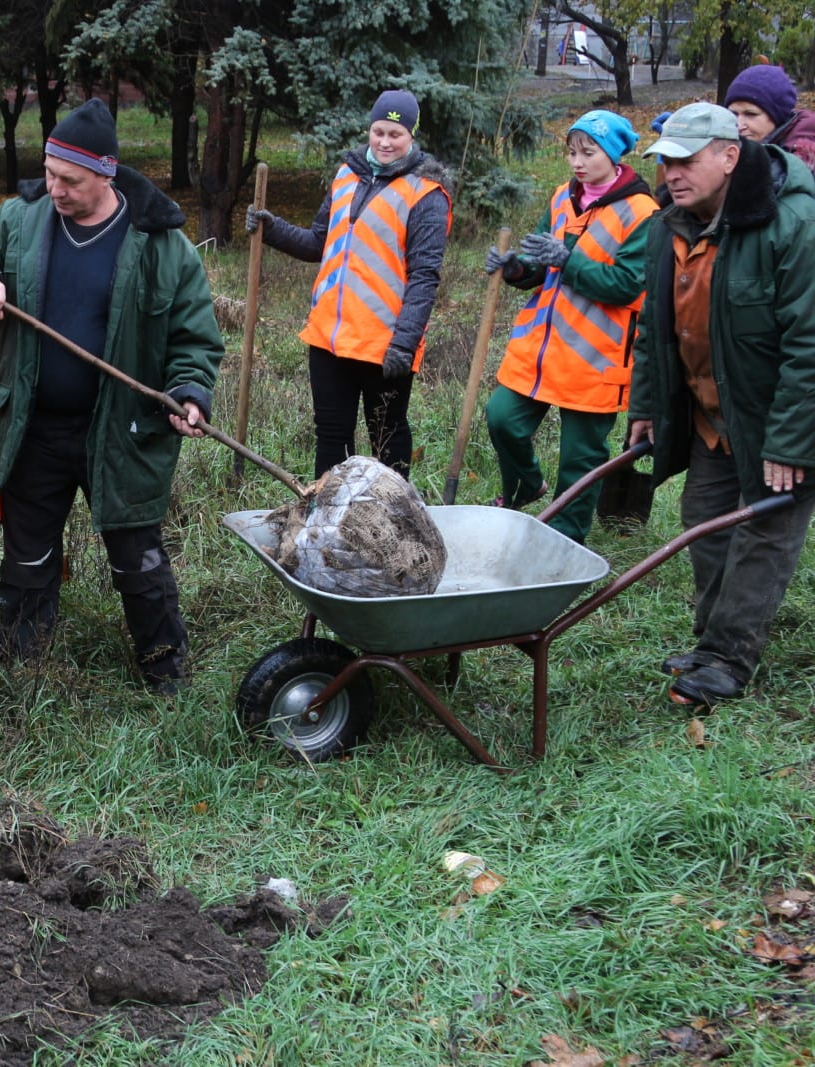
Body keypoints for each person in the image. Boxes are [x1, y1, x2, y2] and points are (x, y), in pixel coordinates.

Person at [0, 98, 223, 695]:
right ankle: (25, 667)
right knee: (28, 557)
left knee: (136, 558)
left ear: (106, 172)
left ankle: (165, 670)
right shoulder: (23, 218)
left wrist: (190, 392)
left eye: (68, 179)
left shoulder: (160, 244)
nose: (55, 188)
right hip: (33, 426)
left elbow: (194, 337)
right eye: (49, 174)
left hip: (121, 432)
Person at [627, 102, 815, 707]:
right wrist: (648, 407)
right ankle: (711, 641)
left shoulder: (793, 224)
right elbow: (655, 331)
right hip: (712, 412)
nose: (672, 174)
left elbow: (808, 347)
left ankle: (728, 659)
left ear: (730, 157)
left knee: (763, 529)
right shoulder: (670, 225)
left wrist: (790, 443)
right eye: (666, 163)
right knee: (704, 523)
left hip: (779, 417)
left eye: (686, 161)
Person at [246, 89, 451, 479]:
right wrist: (272, 229)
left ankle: (394, 520)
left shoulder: (426, 194)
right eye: (378, 132)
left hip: (385, 345)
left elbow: (425, 278)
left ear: (412, 136)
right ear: (369, 130)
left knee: (386, 436)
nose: (385, 141)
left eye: (395, 134)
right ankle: (329, 518)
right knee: (331, 434)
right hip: (329, 338)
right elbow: (317, 243)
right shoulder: (347, 175)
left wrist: (404, 344)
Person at [483, 110, 659, 542]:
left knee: (580, 460)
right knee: (502, 417)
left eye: (589, 152)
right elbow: (542, 262)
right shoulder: (563, 196)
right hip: (541, 351)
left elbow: (628, 285)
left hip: (595, 360)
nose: (577, 162)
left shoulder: (643, 212)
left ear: (614, 155)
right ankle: (526, 486)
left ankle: (565, 541)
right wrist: (515, 267)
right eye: (572, 152)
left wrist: (569, 259)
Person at [724, 64, 815, 169]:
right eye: (733, 114)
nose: (739, 125)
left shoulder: (800, 162)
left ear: (778, 117)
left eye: (750, 114)